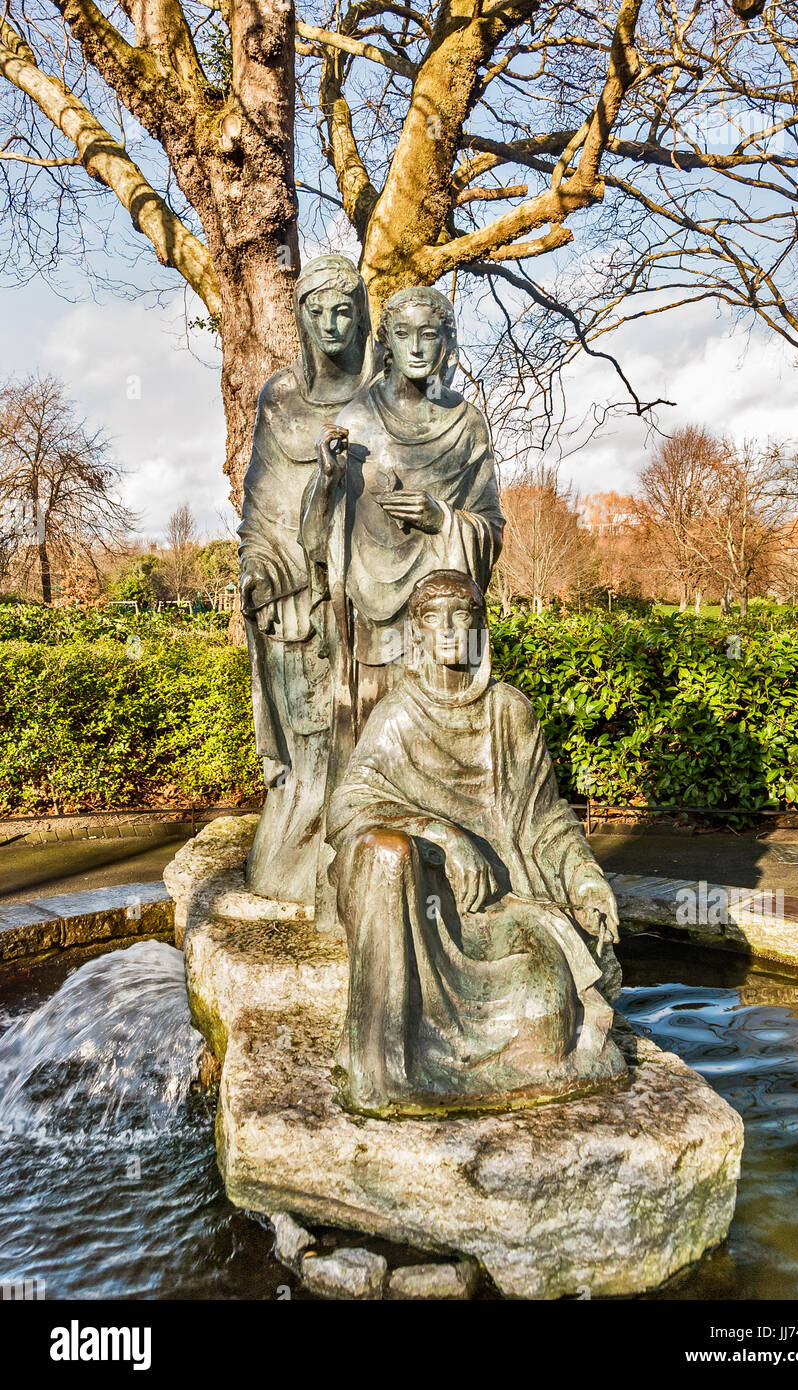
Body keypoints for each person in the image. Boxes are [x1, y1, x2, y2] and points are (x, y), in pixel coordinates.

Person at [326, 569, 627, 1116]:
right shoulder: (397, 716)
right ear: (416, 631)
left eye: (460, 614)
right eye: (431, 616)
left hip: (502, 907)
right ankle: (385, 1069)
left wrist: (585, 877)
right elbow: (347, 809)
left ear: (478, 626)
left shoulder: (509, 712)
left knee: (547, 1022)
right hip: (419, 912)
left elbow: (545, 821)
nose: (446, 628)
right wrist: (442, 834)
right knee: (384, 853)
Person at [300, 287, 504, 811]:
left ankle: (447, 847)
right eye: (404, 334)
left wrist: (443, 520)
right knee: (373, 748)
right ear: (385, 342)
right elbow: (316, 534)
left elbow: (491, 530)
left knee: (441, 749)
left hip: (442, 624)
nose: (417, 348)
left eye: (429, 334)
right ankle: (370, 858)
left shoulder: (468, 425)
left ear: (446, 343)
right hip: (370, 624)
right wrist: (326, 477)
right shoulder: (356, 418)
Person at [238, 255, 376, 902]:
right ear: (298, 317)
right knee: (308, 746)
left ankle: (363, 861)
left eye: (342, 310)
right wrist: (260, 569)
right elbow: (262, 501)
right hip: (292, 595)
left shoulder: (387, 390)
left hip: (371, 596)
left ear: (362, 315)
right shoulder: (280, 397)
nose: (328, 323)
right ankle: (302, 862)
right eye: (315, 310)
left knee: (365, 738)